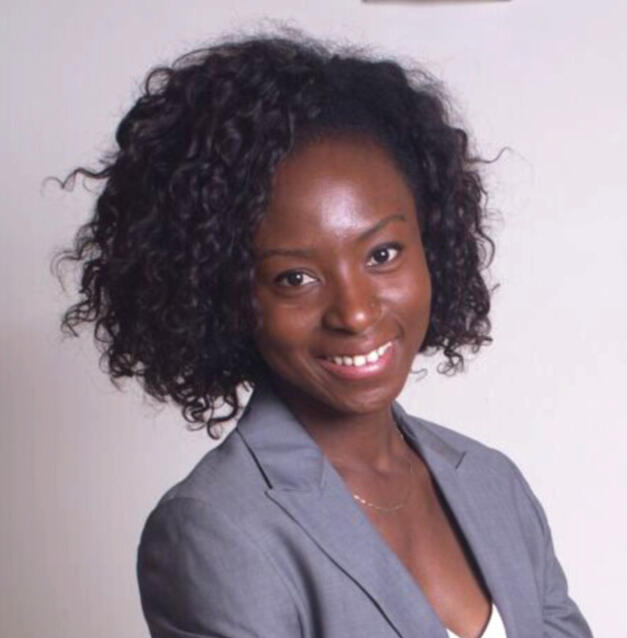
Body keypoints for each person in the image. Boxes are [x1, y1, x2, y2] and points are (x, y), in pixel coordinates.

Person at [58, 33, 593, 638]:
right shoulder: (218, 532)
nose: (356, 313)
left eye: (382, 254)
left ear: (432, 243)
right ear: (224, 295)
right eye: (295, 278)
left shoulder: (493, 483)